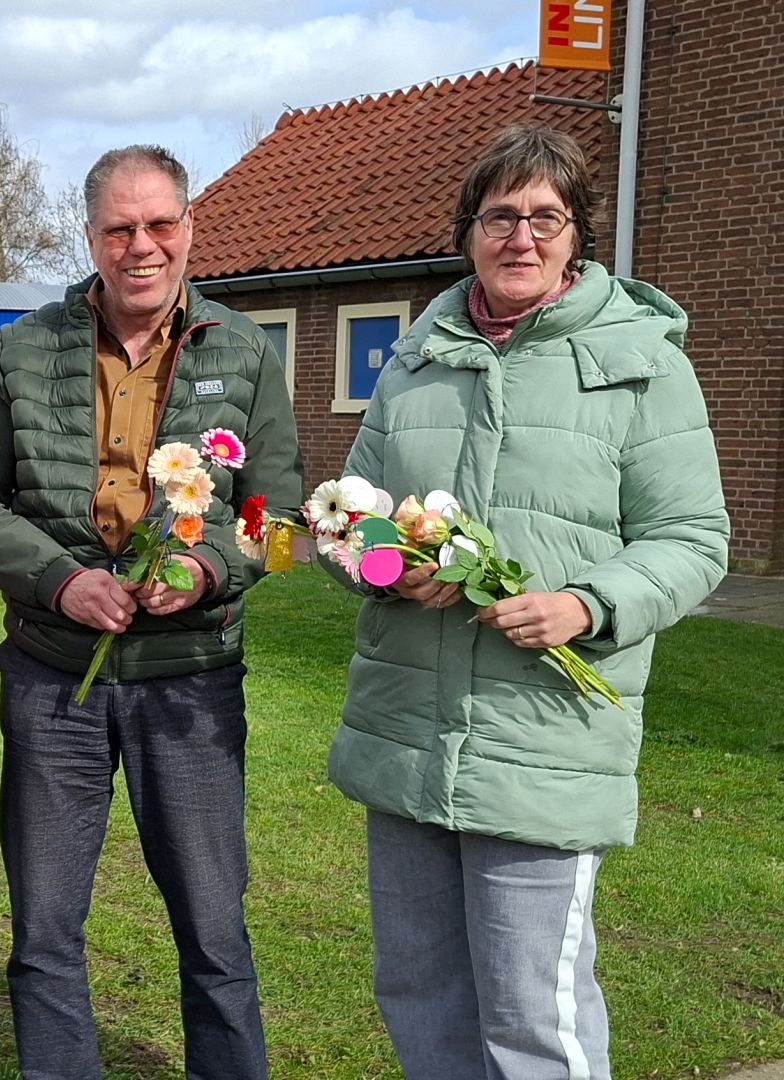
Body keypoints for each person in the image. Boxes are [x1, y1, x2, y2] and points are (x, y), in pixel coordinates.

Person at [330, 122, 728, 1079]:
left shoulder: (642, 365)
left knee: (530, 1012)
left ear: (576, 235)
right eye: (500, 215)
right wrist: (383, 562)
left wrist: (586, 606)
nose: (522, 237)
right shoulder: (418, 358)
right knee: (418, 993)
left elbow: (694, 539)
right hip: (409, 729)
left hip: (543, 731)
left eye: (545, 217)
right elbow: (350, 515)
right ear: (468, 231)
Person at [0, 144, 303, 1080]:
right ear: (91, 237)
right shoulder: (20, 353)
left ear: (188, 230)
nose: (142, 245)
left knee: (215, 931)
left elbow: (281, 515)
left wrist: (211, 569)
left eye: (160, 225)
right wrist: (61, 580)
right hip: (57, 679)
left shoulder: (245, 350)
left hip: (190, 686)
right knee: (47, 931)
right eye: (119, 228)